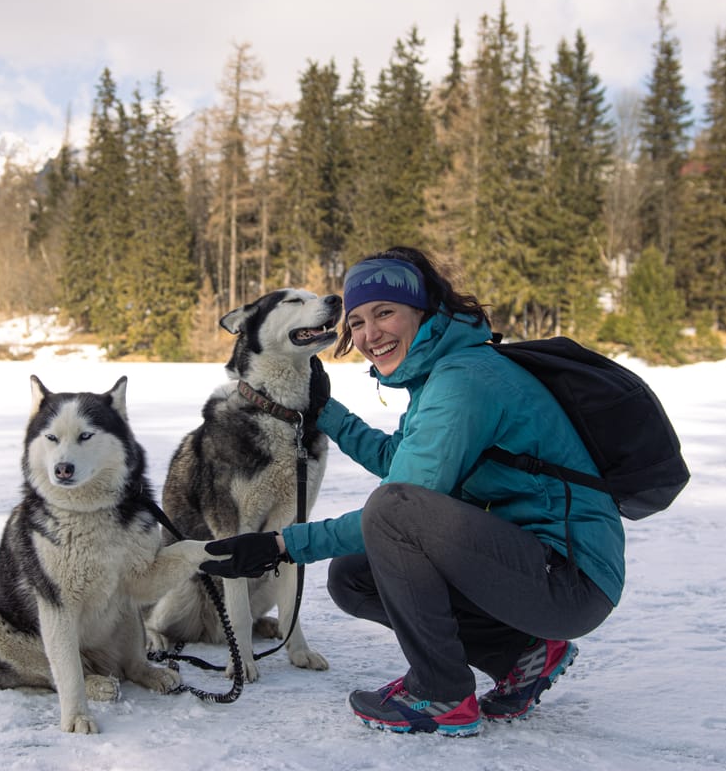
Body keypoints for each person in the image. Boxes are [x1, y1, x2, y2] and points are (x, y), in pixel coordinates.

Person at [199, 246, 624, 737]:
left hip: (568, 578)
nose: (368, 334)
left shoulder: (463, 382)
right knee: (355, 576)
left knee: (392, 511)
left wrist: (280, 544)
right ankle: (521, 655)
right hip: (532, 563)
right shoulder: (440, 376)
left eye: (385, 313)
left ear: (423, 312)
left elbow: (402, 502)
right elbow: (398, 462)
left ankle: (440, 693)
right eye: (356, 322)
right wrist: (327, 412)